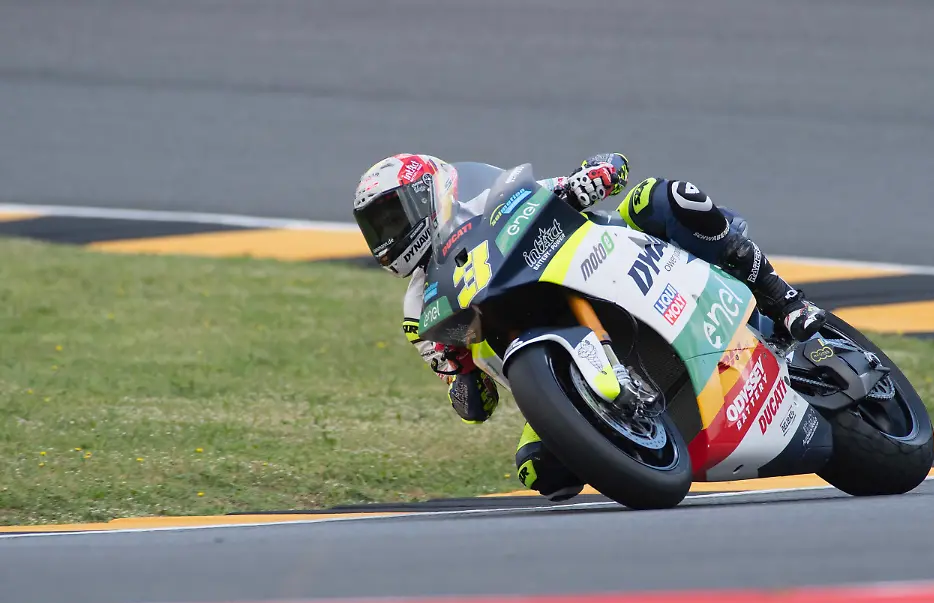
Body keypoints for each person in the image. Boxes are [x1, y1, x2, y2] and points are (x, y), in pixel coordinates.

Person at [351, 152, 827, 502]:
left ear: (427, 194)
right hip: (551, 356)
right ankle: (633, 435)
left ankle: (785, 302)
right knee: (541, 472)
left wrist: (588, 179)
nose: (388, 235)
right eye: (376, 228)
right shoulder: (420, 309)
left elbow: (612, 170)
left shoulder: (485, 200)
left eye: (393, 216)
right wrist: (459, 377)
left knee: (665, 197)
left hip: (610, 266)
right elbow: (475, 405)